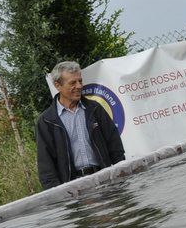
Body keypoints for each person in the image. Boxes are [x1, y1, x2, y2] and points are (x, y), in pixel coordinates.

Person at [35, 61, 125, 189]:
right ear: (57, 85)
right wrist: (59, 197)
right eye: (72, 83)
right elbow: (46, 167)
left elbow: (115, 147)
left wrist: (120, 177)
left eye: (80, 81)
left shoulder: (95, 109)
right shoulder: (47, 121)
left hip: (105, 180)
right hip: (72, 188)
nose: (79, 86)